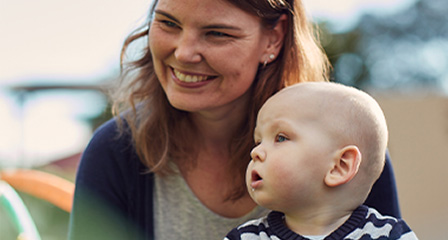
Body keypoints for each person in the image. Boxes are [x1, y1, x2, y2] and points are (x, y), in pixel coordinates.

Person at [68, 0, 401, 239]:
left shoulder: (347, 145)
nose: (184, 52)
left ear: (274, 38)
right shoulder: (115, 150)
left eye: (216, 33)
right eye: (168, 23)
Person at [224, 82, 418, 240]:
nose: (256, 152)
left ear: (339, 166)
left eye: (281, 138)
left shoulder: (390, 236)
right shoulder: (246, 237)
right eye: (258, 141)